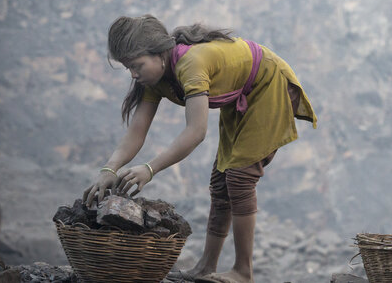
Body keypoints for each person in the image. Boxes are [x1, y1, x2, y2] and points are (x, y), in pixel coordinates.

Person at [83, 15, 317, 283]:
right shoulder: (154, 79)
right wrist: (108, 169)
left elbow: (196, 132)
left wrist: (150, 169)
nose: (134, 75)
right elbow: (137, 131)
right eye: (128, 69)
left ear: (160, 54)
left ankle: (243, 271)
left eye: (137, 66)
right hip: (242, 95)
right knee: (221, 184)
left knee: (240, 179)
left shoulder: (191, 64)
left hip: (267, 84)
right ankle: (206, 266)